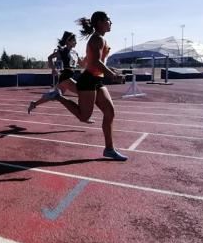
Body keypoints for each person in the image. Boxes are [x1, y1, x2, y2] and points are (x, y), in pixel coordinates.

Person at [56, 11, 128, 161]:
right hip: (88, 80)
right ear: (100, 22)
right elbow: (95, 62)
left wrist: (112, 71)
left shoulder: (100, 39)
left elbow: (98, 62)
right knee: (84, 117)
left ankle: (109, 149)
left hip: (97, 80)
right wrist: (112, 75)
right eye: (109, 20)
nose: (111, 23)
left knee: (109, 112)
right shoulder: (97, 39)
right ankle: (58, 97)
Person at [27, 31, 93, 123]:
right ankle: (83, 115)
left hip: (68, 77)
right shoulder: (62, 51)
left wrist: (89, 55)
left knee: (52, 95)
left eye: (76, 41)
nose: (76, 42)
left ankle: (34, 104)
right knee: (81, 92)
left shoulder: (75, 53)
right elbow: (49, 58)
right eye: (74, 40)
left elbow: (82, 64)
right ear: (68, 41)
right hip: (65, 77)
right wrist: (53, 69)